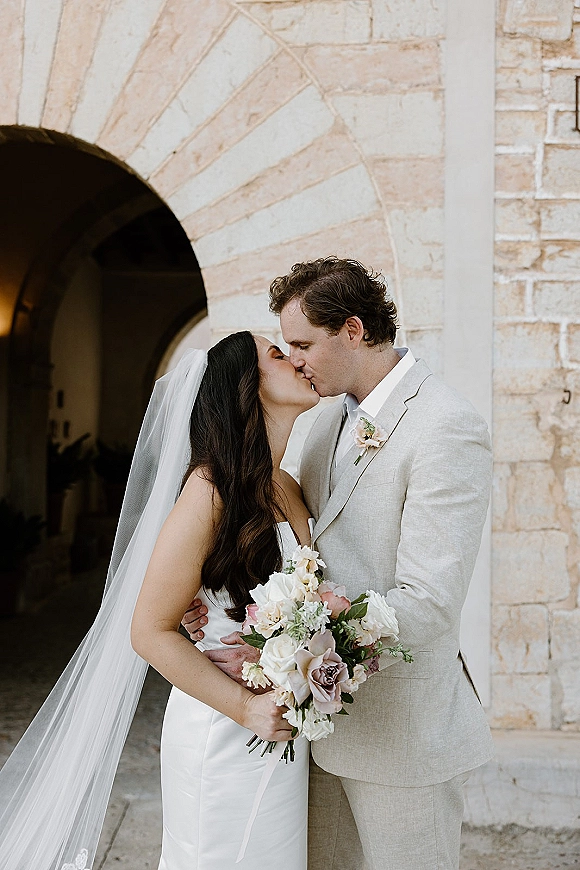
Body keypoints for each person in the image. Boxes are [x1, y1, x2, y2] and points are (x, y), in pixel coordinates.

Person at [184, 258, 494, 870]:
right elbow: (295, 545)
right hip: (312, 739)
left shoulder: (446, 428)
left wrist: (302, 643)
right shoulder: (325, 418)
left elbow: (429, 600)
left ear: (352, 330)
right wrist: (228, 610)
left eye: (303, 343)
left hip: (403, 733)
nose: (293, 359)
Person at [0, 331, 318, 870]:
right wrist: (245, 706)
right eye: (276, 354)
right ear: (246, 386)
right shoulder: (209, 491)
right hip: (225, 728)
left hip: (285, 729)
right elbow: (148, 629)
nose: (294, 360)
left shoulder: (285, 485)